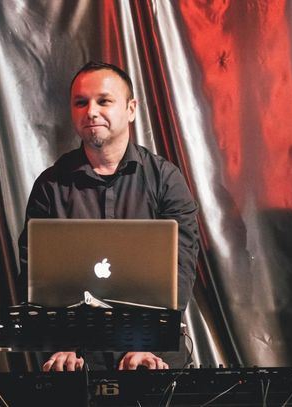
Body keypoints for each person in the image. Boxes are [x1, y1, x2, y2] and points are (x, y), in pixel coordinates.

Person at [18, 61, 199, 371]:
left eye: (104, 101)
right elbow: (35, 276)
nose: (91, 111)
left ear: (131, 109)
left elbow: (180, 270)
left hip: (153, 353)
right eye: (81, 102)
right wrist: (63, 343)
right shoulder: (50, 185)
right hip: (77, 358)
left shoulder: (166, 180)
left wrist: (144, 343)